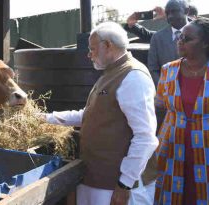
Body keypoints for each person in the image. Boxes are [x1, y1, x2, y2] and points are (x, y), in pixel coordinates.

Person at [41, 22, 159, 205]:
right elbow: (88, 115)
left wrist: (124, 185)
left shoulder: (133, 77)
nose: (89, 54)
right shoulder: (111, 74)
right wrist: (45, 118)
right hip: (99, 180)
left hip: (119, 188)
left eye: (93, 48)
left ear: (108, 45)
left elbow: (145, 138)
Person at [154, 17, 209, 205]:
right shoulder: (168, 70)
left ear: (205, 44)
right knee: (172, 196)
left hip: (205, 149)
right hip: (172, 146)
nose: (180, 41)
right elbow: (160, 102)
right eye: (180, 38)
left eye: (187, 39)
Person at [148, 0, 190, 85]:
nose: (170, 16)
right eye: (167, 13)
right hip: (168, 92)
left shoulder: (202, 33)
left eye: (174, 11)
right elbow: (153, 69)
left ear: (186, 11)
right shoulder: (157, 38)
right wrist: (163, 88)